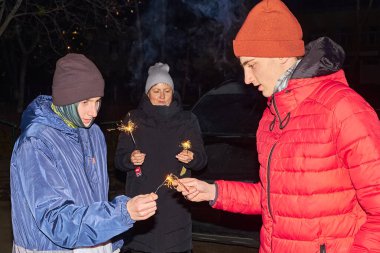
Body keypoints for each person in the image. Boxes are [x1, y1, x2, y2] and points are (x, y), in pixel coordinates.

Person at [175, 0, 380, 252]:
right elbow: (275, 199)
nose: (247, 79)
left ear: (282, 54)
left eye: (251, 65)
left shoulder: (343, 108)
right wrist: (213, 192)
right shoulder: (271, 117)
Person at [10, 53, 158, 253]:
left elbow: (97, 198)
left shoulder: (93, 133)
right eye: (86, 102)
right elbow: (54, 220)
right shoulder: (36, 142)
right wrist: (122, 213)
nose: (94, 111)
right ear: (66, 99)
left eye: (98, 101)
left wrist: (111, 243)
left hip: (94, 243)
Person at [114, 62, 207, 253]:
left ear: (173, 93)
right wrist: (130, 159)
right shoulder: (134, 119)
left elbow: (202, 160)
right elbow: (119, 160)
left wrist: (192, 157)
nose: (162, 96)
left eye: (167, 90)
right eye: (156, 90)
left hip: (176, 205)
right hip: (142, 203)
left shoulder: (187, 120)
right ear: (148, 94)